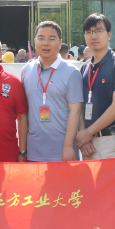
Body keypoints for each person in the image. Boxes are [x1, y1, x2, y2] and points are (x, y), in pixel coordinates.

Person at [23, 21, 84, 162]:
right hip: (34, 151)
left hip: (62, 152)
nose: (46, 43)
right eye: (41, 38)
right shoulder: (27, 70)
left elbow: (76, 112)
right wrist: (23, 149)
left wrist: (68, 146)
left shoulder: (71, 72)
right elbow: (24, 112)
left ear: (60, 43)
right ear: (35, 41)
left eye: (51, 39)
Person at [75, 13, 115, 159]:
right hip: (88, 144)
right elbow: (80, 107)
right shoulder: (85, 67)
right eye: (89, 32)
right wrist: (83, 135)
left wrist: (87, 133)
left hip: (111, 140)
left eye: (99, 31)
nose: (93, 36)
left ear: (109, 34)